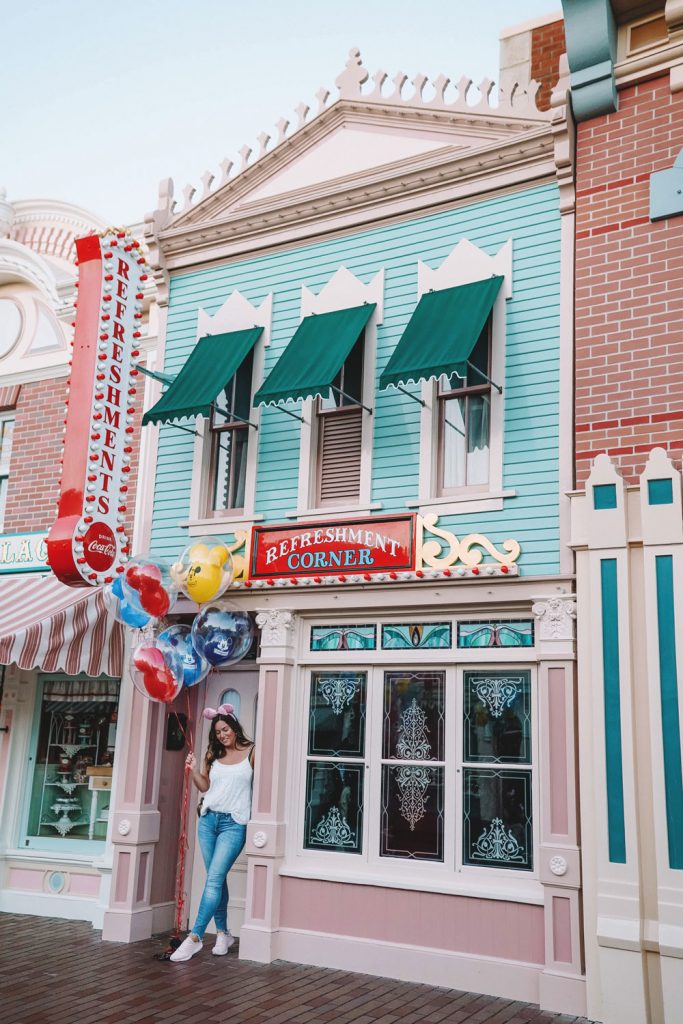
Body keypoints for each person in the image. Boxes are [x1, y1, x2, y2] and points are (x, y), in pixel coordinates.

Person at [170, 703, 255, 962]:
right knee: (215, 879)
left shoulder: (252, 752)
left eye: (225, 729)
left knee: (214, 880)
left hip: (234, 823)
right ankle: (223, 933)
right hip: (208, 821)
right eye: (217, 732)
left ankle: (194, 937)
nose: (222, 735)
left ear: (234, 727)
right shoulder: (212, 753)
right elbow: (204, 785)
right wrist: (193, 769)